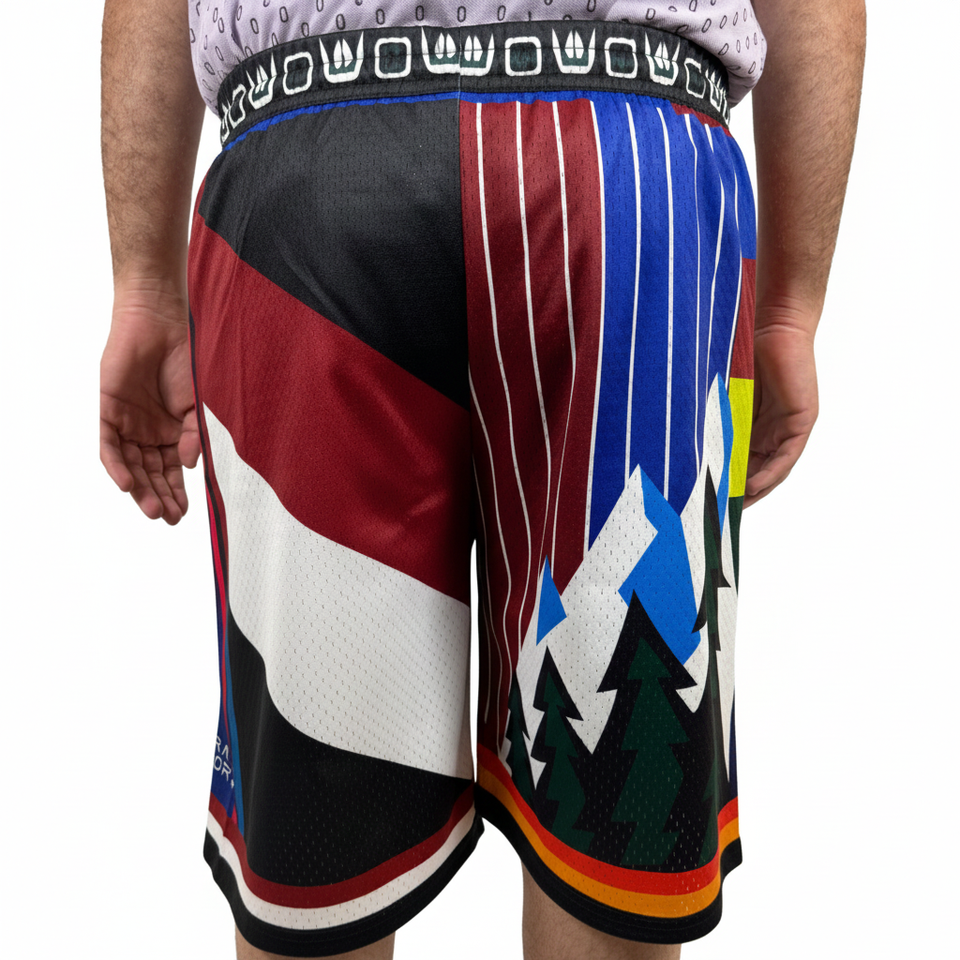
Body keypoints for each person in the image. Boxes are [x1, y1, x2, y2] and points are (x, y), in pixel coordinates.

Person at [99, 1, 865, 957]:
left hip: (307, 158)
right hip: (627, 171)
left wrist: (143, 284)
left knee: (312, 856)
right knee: (618, 802)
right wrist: (789, 308)